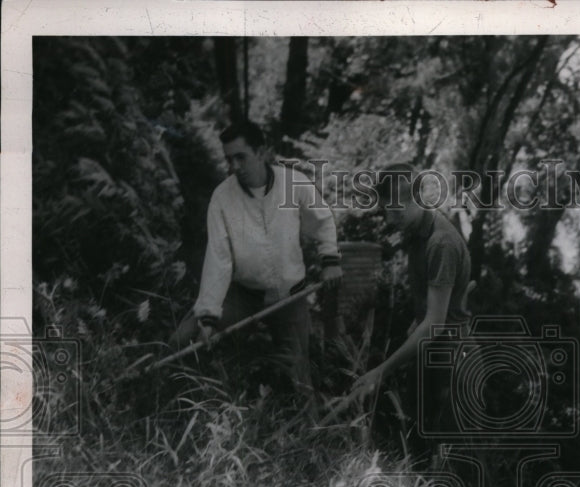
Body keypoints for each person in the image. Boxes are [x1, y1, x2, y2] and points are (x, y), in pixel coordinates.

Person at [169, 119, 342, 417]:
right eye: (228, 159)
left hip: (290, 296)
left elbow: (323, 220)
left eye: (241, 157)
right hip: (243, 294)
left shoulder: (293, 183)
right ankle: (188, 411)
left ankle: (312, 439)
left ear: (262, 152)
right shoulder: (223, 198)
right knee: (183, 341)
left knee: (299, 376)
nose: (234, 165)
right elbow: (218, 257)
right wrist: (209, 316)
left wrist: (330, 261)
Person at [349, 163, 472, 460]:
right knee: (415, 447)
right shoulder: (415, 233)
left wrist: (381, 371)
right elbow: (427, 313)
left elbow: (434, 325)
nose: (390, 218)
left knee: (451, 459)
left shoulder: (440, 244)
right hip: (426, 350)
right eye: (386, 210)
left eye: (396, 210)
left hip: (451, 358)